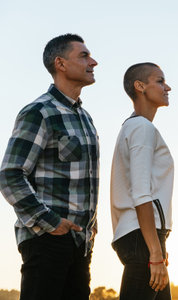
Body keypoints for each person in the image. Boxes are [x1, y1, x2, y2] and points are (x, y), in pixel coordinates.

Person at [0, 33, 99, 300]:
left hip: (81, 245)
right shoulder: (39, 111)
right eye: (84, 55)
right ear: (61, 64)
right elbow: (10, 174)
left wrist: (89, 228)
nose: (94, 61)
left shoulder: (85, 118)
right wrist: (50, 222)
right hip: (46, 241)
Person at [110, 62, 173, 299]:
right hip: (142, 238)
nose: (167, 87)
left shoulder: (135, 127)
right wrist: (154, 251)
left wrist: (159, 244)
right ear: (140, 86)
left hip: (145, 237)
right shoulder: (141, 128)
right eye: (160, 80)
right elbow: (141, 193)